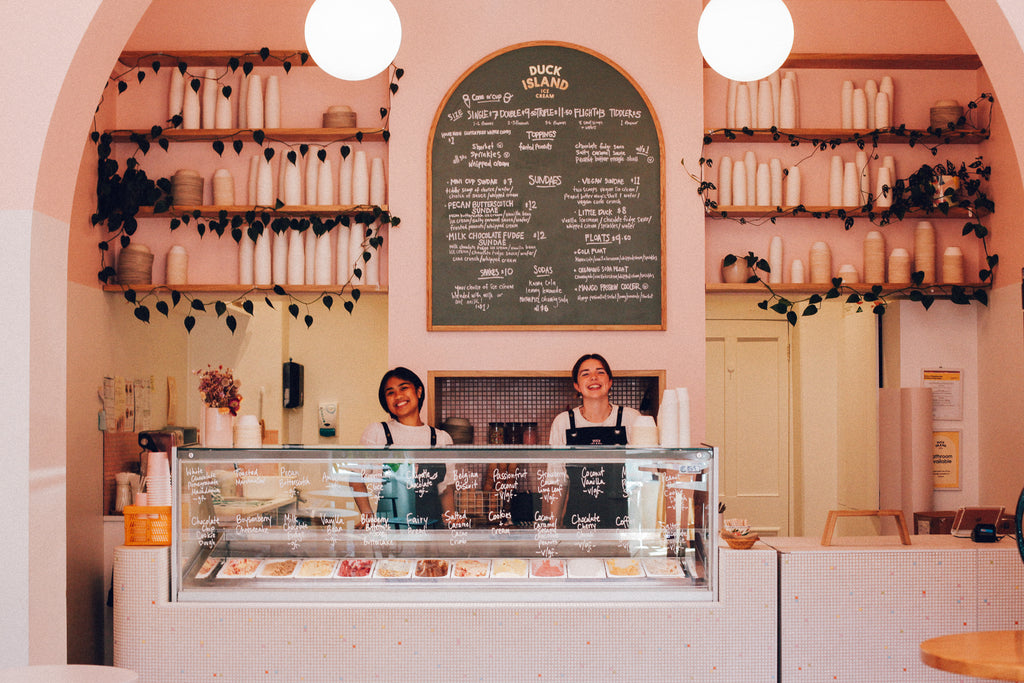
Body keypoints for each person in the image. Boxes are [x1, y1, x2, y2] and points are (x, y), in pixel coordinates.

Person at [351, 367, 454, 529]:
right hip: (391, 530)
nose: (398, 396)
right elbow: (356, 477)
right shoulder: (378, 432)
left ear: (419, 392)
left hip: (432, 531)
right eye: (390, 392)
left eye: (404, 388)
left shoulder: (441, 438)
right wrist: (367, 515)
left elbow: (446, 488)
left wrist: (451, 519)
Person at [546, 353, 641, 528]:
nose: (593, 378)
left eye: (600, 372)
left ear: (610, 381)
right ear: (577, 385)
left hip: (626, 525)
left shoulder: (631, 418)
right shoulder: (564, 421)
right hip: (578, 525)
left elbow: (646, 476)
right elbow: (557, 481)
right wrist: (552, 529)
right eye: (585, 374)